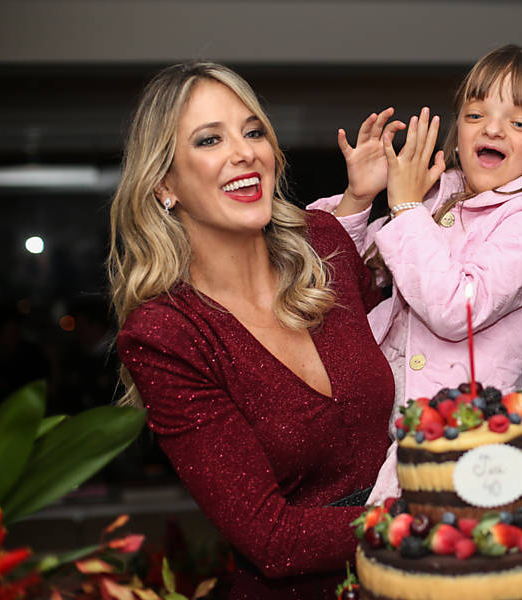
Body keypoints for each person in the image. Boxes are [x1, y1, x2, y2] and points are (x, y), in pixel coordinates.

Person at [108, 62, 393, 598]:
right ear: (165, 184)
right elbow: (272, 538)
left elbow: (417, 361)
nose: (245, 152)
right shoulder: (167, 335)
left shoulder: (324, 244)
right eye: (210, 139)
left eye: (254, 131)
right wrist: (423, 522)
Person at [309, 45, 522, 502]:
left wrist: (406, 206)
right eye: (475, 115)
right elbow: (333, 282)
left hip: (467, 450)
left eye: (518, 122)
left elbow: (458, 307)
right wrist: (359, 196)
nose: (492, 128)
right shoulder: (436, 190)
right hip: (379, 440)